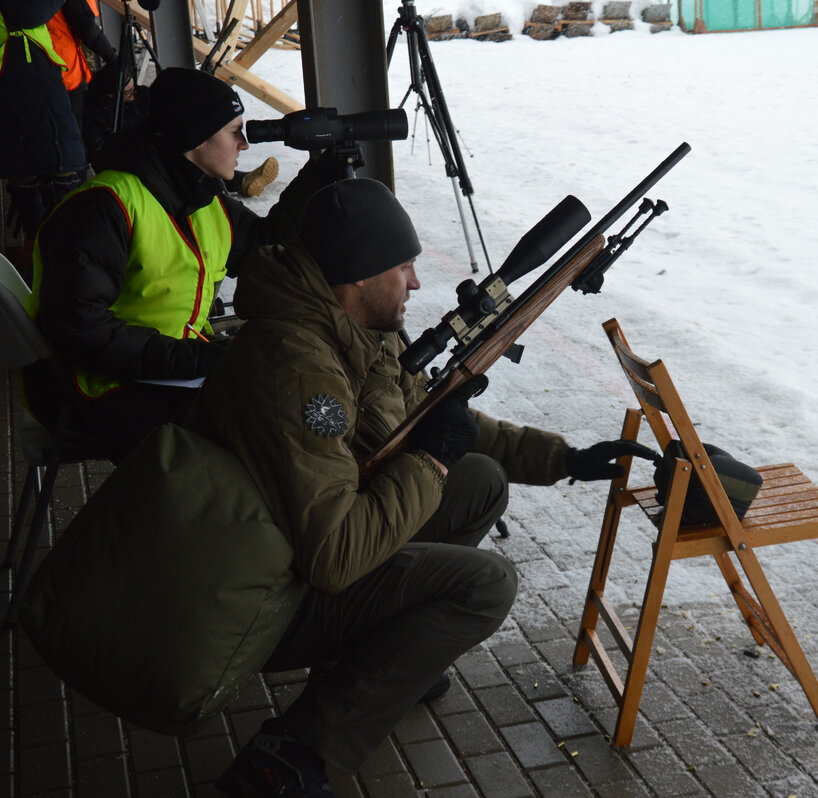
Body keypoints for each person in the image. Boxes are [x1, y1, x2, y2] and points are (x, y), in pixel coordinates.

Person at [183, 178, 655, 796]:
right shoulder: (301, 372)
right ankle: (292, 755)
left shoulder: (348, 331)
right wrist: (430, 461)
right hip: (256, 600)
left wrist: (567, 458)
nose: (415, 283)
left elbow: (435, 422)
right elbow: (334, 557)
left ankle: (377, 655)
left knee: (480, 480)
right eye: (403, 266)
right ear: (357, 276)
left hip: (288, 549)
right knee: (486, 586)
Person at [22, 66, 337, 462]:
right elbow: (77, 327)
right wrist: (194, 360)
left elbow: (264, 246)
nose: (244, 145)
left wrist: (321, 174)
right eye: (234, 131)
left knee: (280, 404)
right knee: (261, 435)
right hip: (90, 390)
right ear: (197, 137)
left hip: (161, 372)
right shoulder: (103, 207)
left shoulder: (202, 198)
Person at [83, 62, 280, 198]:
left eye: (134, 89)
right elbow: (101, 156)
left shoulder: (141, 97)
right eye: (127, 94)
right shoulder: (94, 118)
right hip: (137, 164)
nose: (134, 95)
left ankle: (244, 180)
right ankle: (243, 181)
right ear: (110, 95)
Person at [0, 0, 88, 267]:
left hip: (30, 74)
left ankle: (44, 257)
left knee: (37, 170)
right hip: (21, 75)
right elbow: (26, 13)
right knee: (54, 171)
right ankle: (49, 259)